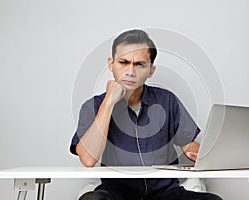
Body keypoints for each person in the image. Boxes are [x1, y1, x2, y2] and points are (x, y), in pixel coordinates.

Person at [70, 29, 222, 200]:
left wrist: (216, 154)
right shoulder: (93, 106)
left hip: (165, 193)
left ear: (151, 70)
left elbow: (189, 147)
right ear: (111, 64)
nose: (130, 71)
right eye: (123, 62)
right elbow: (88, 159)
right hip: (117, 193)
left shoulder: (167, 100)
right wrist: (108, 102)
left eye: (139, 64)